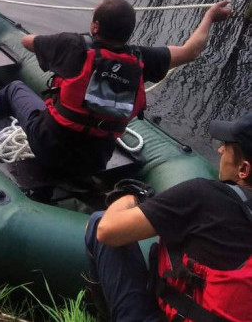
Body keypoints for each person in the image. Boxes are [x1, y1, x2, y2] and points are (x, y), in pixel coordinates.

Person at [0, 0, 232, 176]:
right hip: (94, 162)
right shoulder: (143, 59)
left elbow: (27, 41)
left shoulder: (72, 46)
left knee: (15, 89)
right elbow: (190, 51)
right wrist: (209, 17)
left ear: (95, 26)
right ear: (128, 32)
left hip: (49, 147)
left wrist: (63, 43)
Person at [85, 112, 252, 321]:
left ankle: (99, 313)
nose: (219, 150)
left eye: (226, 147)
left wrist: (131, 196)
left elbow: (107, 231)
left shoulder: (204, 196)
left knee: (98, 221)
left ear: (243, 169)